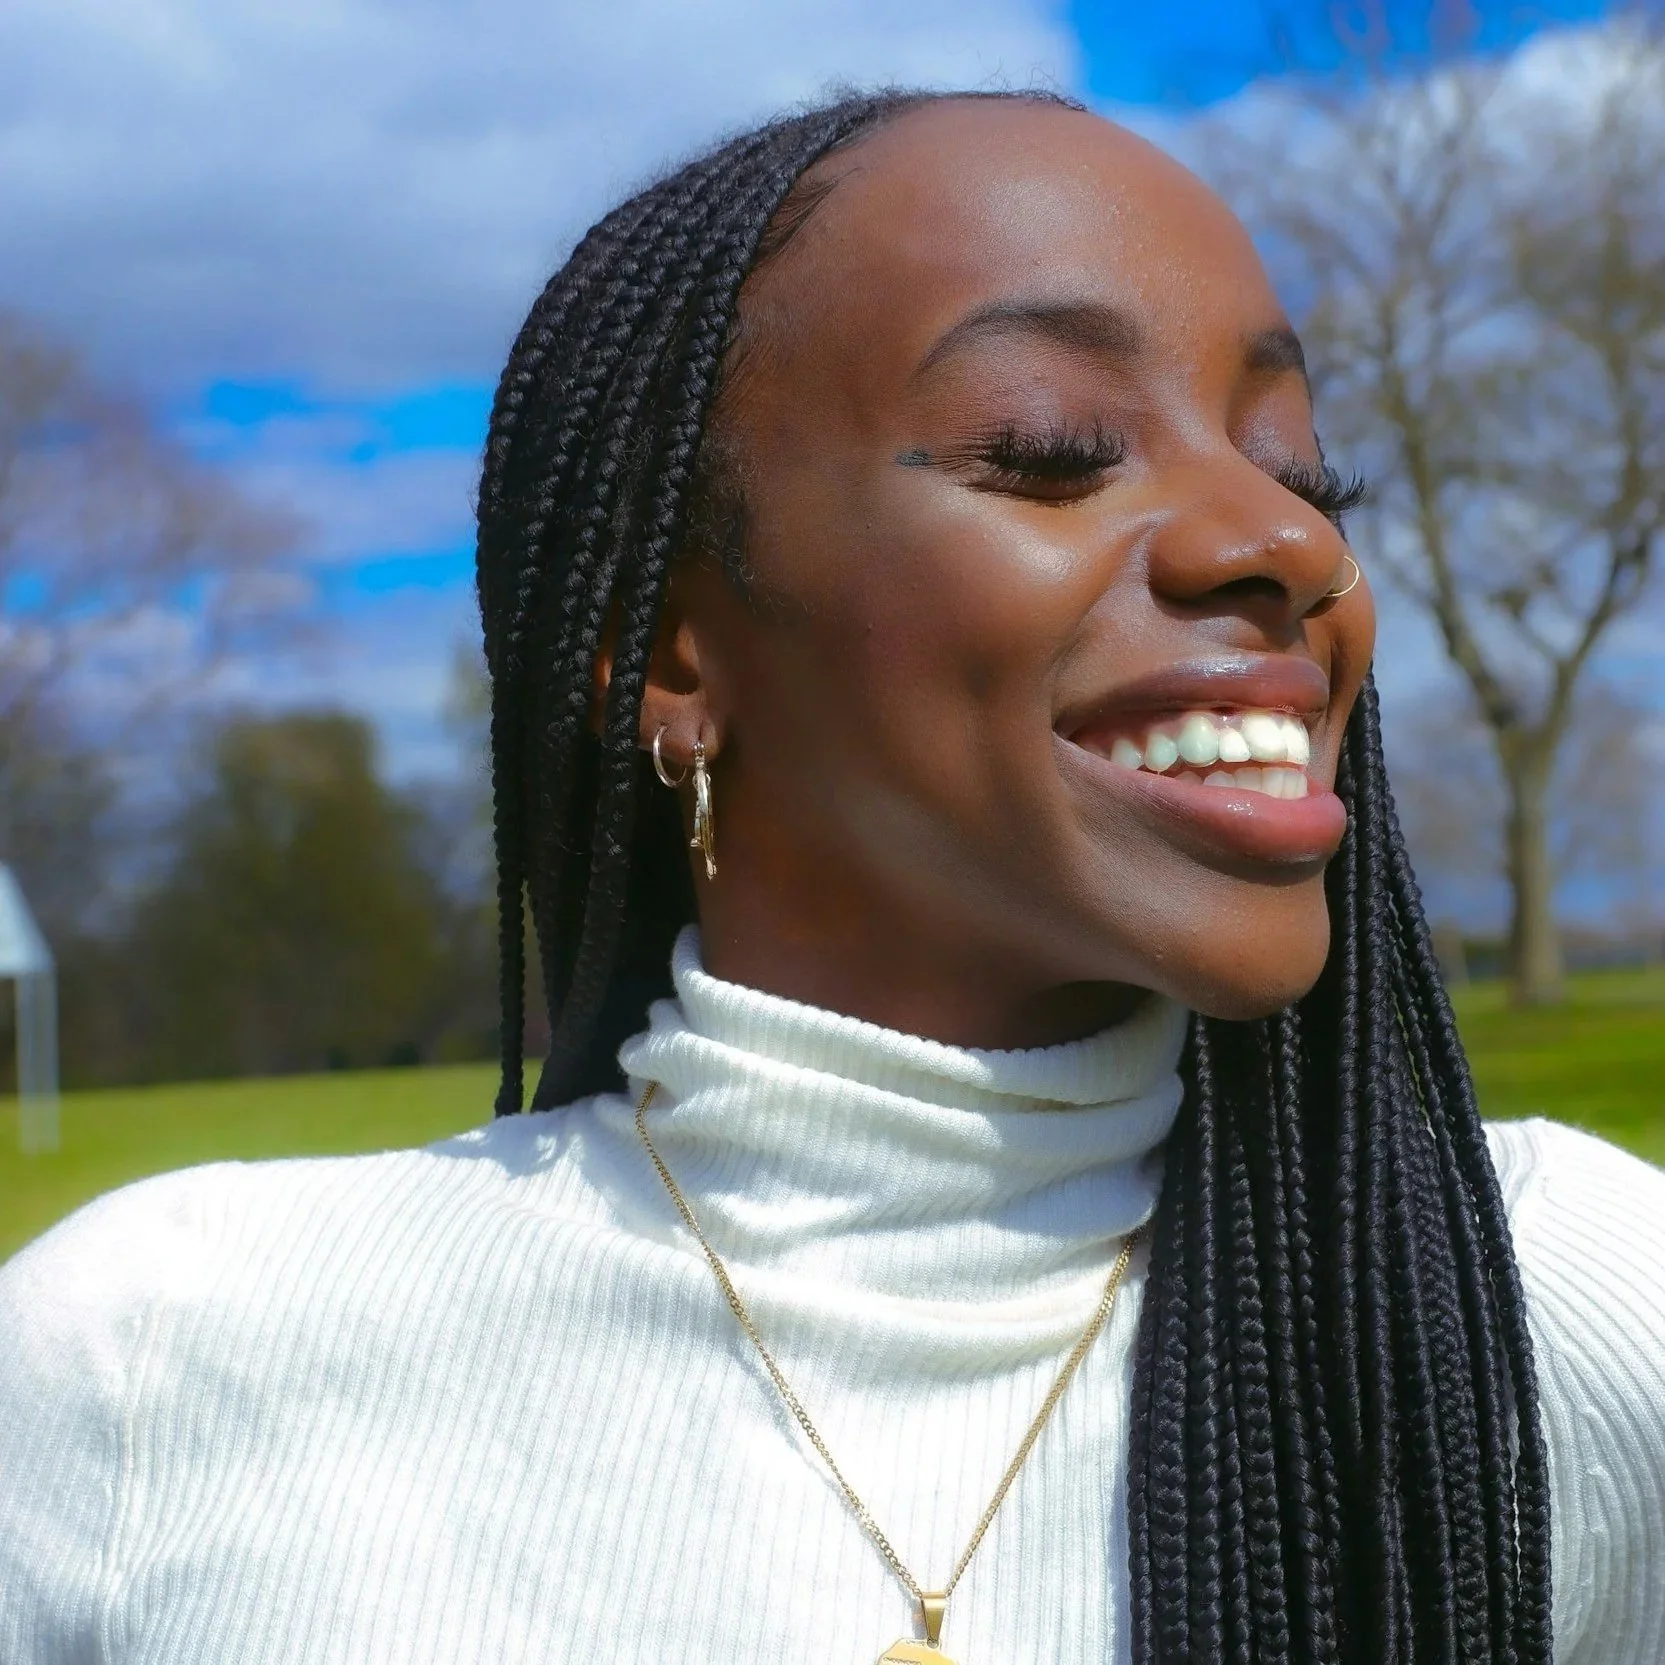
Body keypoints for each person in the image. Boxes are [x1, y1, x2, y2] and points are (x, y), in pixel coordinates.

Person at [2, 89, 1662, 1665]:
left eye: (1305, 473)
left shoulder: (1565, 1315)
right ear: (665, 651)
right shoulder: (151, 1371)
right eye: (1052, 446)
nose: (1292, 546)